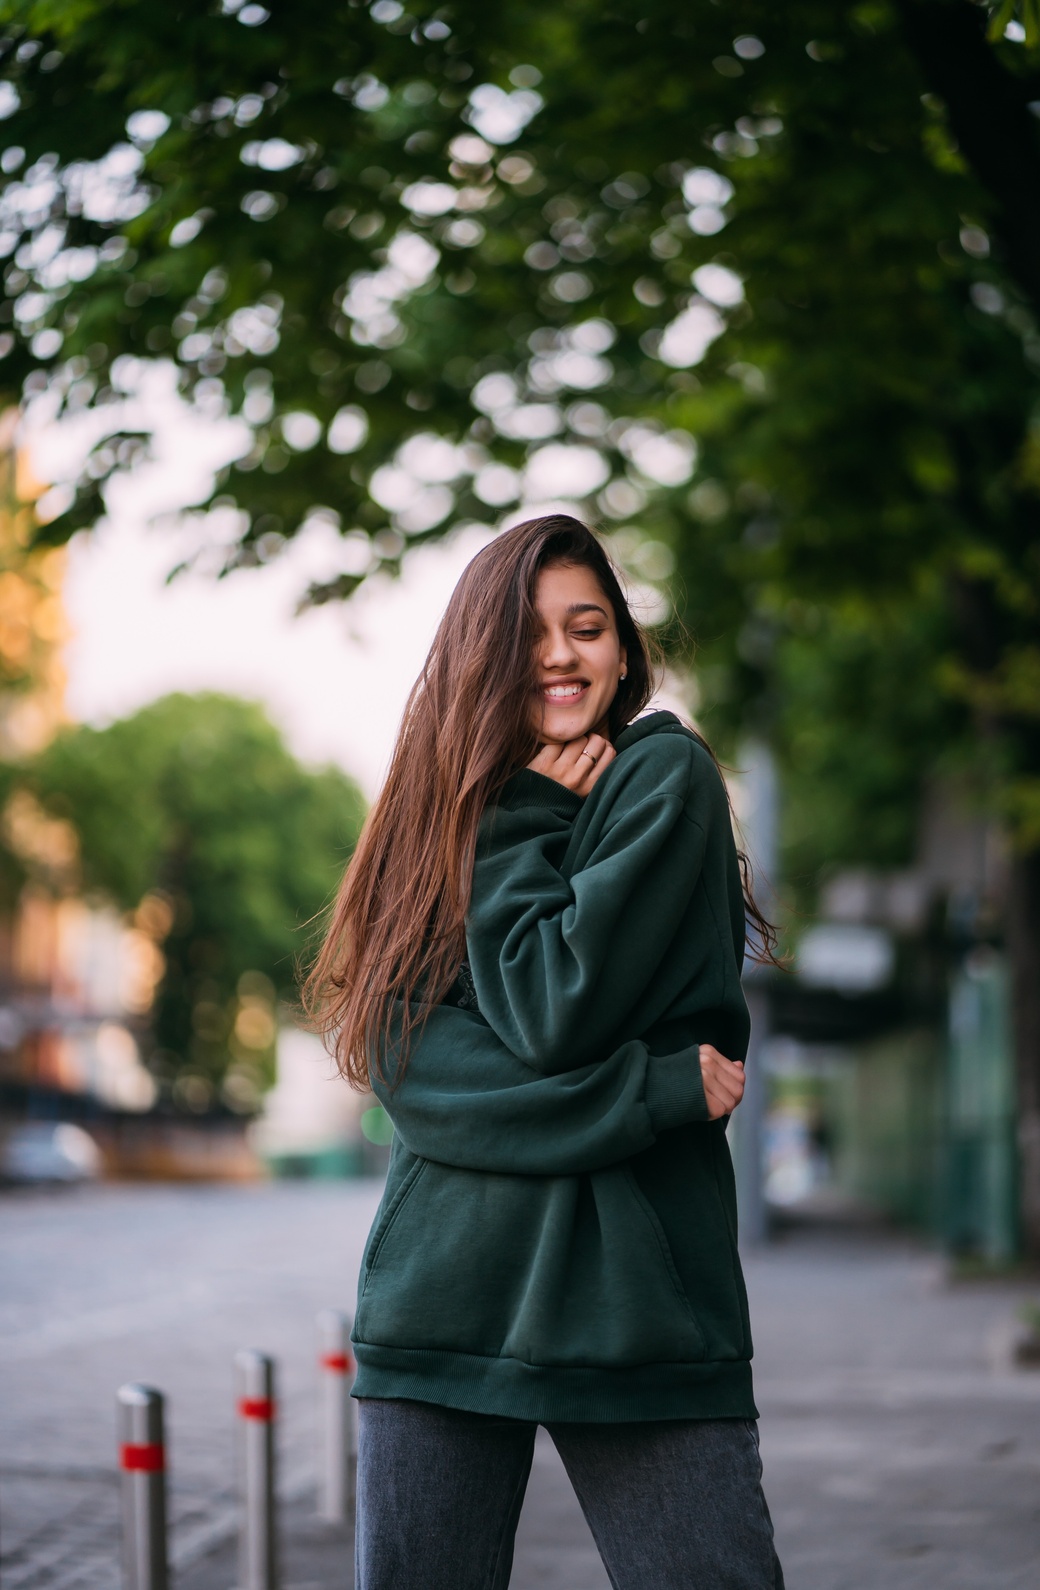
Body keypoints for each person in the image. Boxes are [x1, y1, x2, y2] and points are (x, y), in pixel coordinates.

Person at [306, 514, 784, 1589]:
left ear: (622, 649)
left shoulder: (661, 777)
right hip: (442, 1299)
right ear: (480, 655)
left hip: (635, 1306)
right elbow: (411, 1070)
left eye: (588, 626)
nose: (560, 655)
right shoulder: (436, 820)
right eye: (529, 633)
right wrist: (647, 1092)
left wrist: (517, 820)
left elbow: (552, 1007)